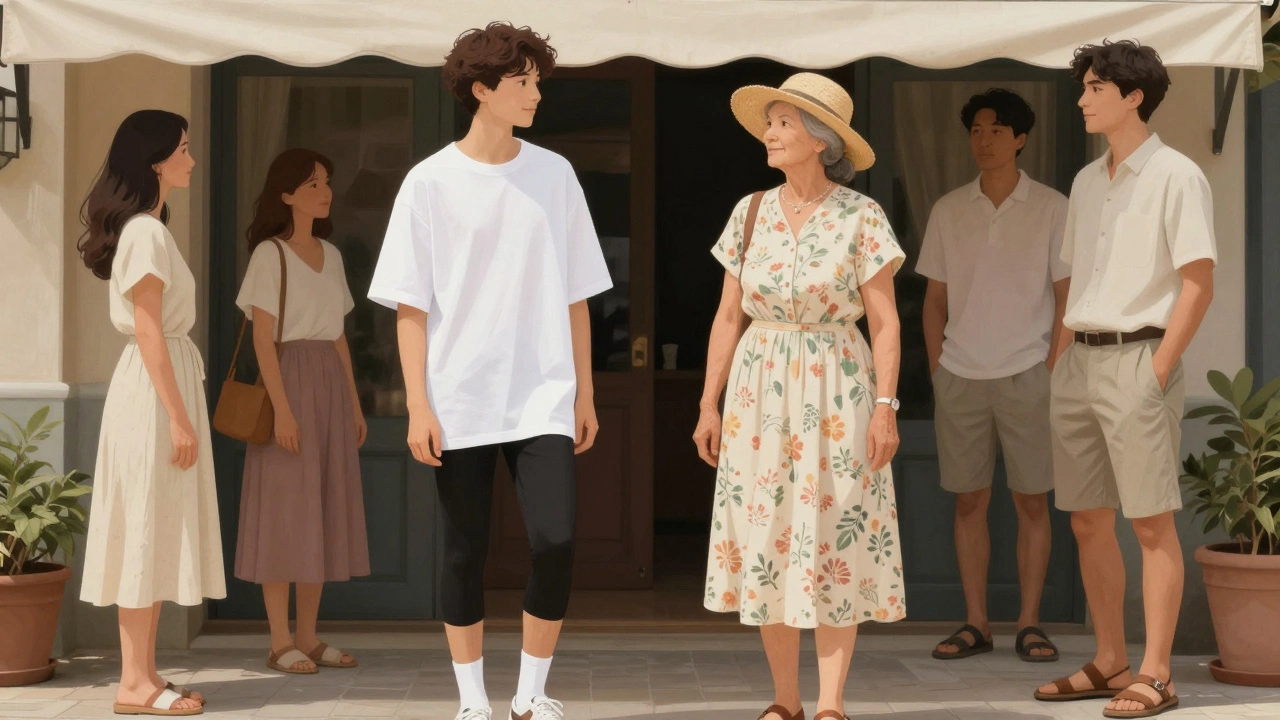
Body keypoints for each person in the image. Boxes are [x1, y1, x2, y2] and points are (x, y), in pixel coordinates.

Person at [367, 22, 612, 720]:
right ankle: (473, 700)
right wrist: (419, 405)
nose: (536, 94)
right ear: (482, 90)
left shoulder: (554, 175)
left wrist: (584, 392)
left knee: (556, 539)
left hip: (543, 394)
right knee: (464, 552)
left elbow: (575, 294)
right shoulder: (429, 183)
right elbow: (409, 309)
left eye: (538, 81)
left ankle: (531, 692)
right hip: (460, 396)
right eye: (522, 81)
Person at [693, 72, 906, 720]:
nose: (770, 132)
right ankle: (785, 701)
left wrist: (885, 407)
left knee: (833, 535)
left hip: (838, 386)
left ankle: (831, 704)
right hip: (760, 393)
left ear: (820, 140)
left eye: (784, 123)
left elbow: (886, 321)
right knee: (771, 538)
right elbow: (729, 316)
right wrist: (708, 402)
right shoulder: (749, 211)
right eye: (772, 121)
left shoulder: (861, 215)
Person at [1033, 40, 1215, 719]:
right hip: (1079, 361)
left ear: (1132, 96)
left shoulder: (1177, 175)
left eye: (1093, 88)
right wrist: (1060, 358)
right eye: (1083, 88)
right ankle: (1111, 659)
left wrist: (1159, 368)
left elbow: (1199, 282)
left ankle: (1157, 673)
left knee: (1149, 522)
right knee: (1087, 520)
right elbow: (1074, 279)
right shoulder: (1085, 182)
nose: (1081, 100)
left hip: (1141, 358)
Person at [76, 110, 223, 717]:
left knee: (154, 527)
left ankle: (145, 674)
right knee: (143, 527)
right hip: (154, 396)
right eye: (183, 149)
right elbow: (148, 330)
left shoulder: (151, 229)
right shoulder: (145, 232)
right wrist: (179, 417)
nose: (190, 158)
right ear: (157, 160)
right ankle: (133, 684)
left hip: (157, 389)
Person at [917, 89, 1069, 664]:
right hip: (960, 372)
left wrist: (1051, 367)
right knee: (968, 503)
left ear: (1021, 138)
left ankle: (1030, 622)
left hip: (1030, 371)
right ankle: (976, 622)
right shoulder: (948, 209)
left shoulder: (1053, 207)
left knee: (1033, 502)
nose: (984, 140)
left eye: (997, 130)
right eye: (976, 130)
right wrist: (937, 368)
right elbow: (934, 299)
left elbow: (1066, 298)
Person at [233, 148, 370, 674]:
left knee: (319, 508)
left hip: (329, 386)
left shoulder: (331, 256)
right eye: (313, 183)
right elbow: (264, 342)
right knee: (285, 513)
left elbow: (338, 336)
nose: (325, 190)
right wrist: (284, 412)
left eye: (327, 180)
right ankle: (278, 640)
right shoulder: (270, 254)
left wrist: (354, 403)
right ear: (287, 194)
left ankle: (309, 637)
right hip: (287, 381)